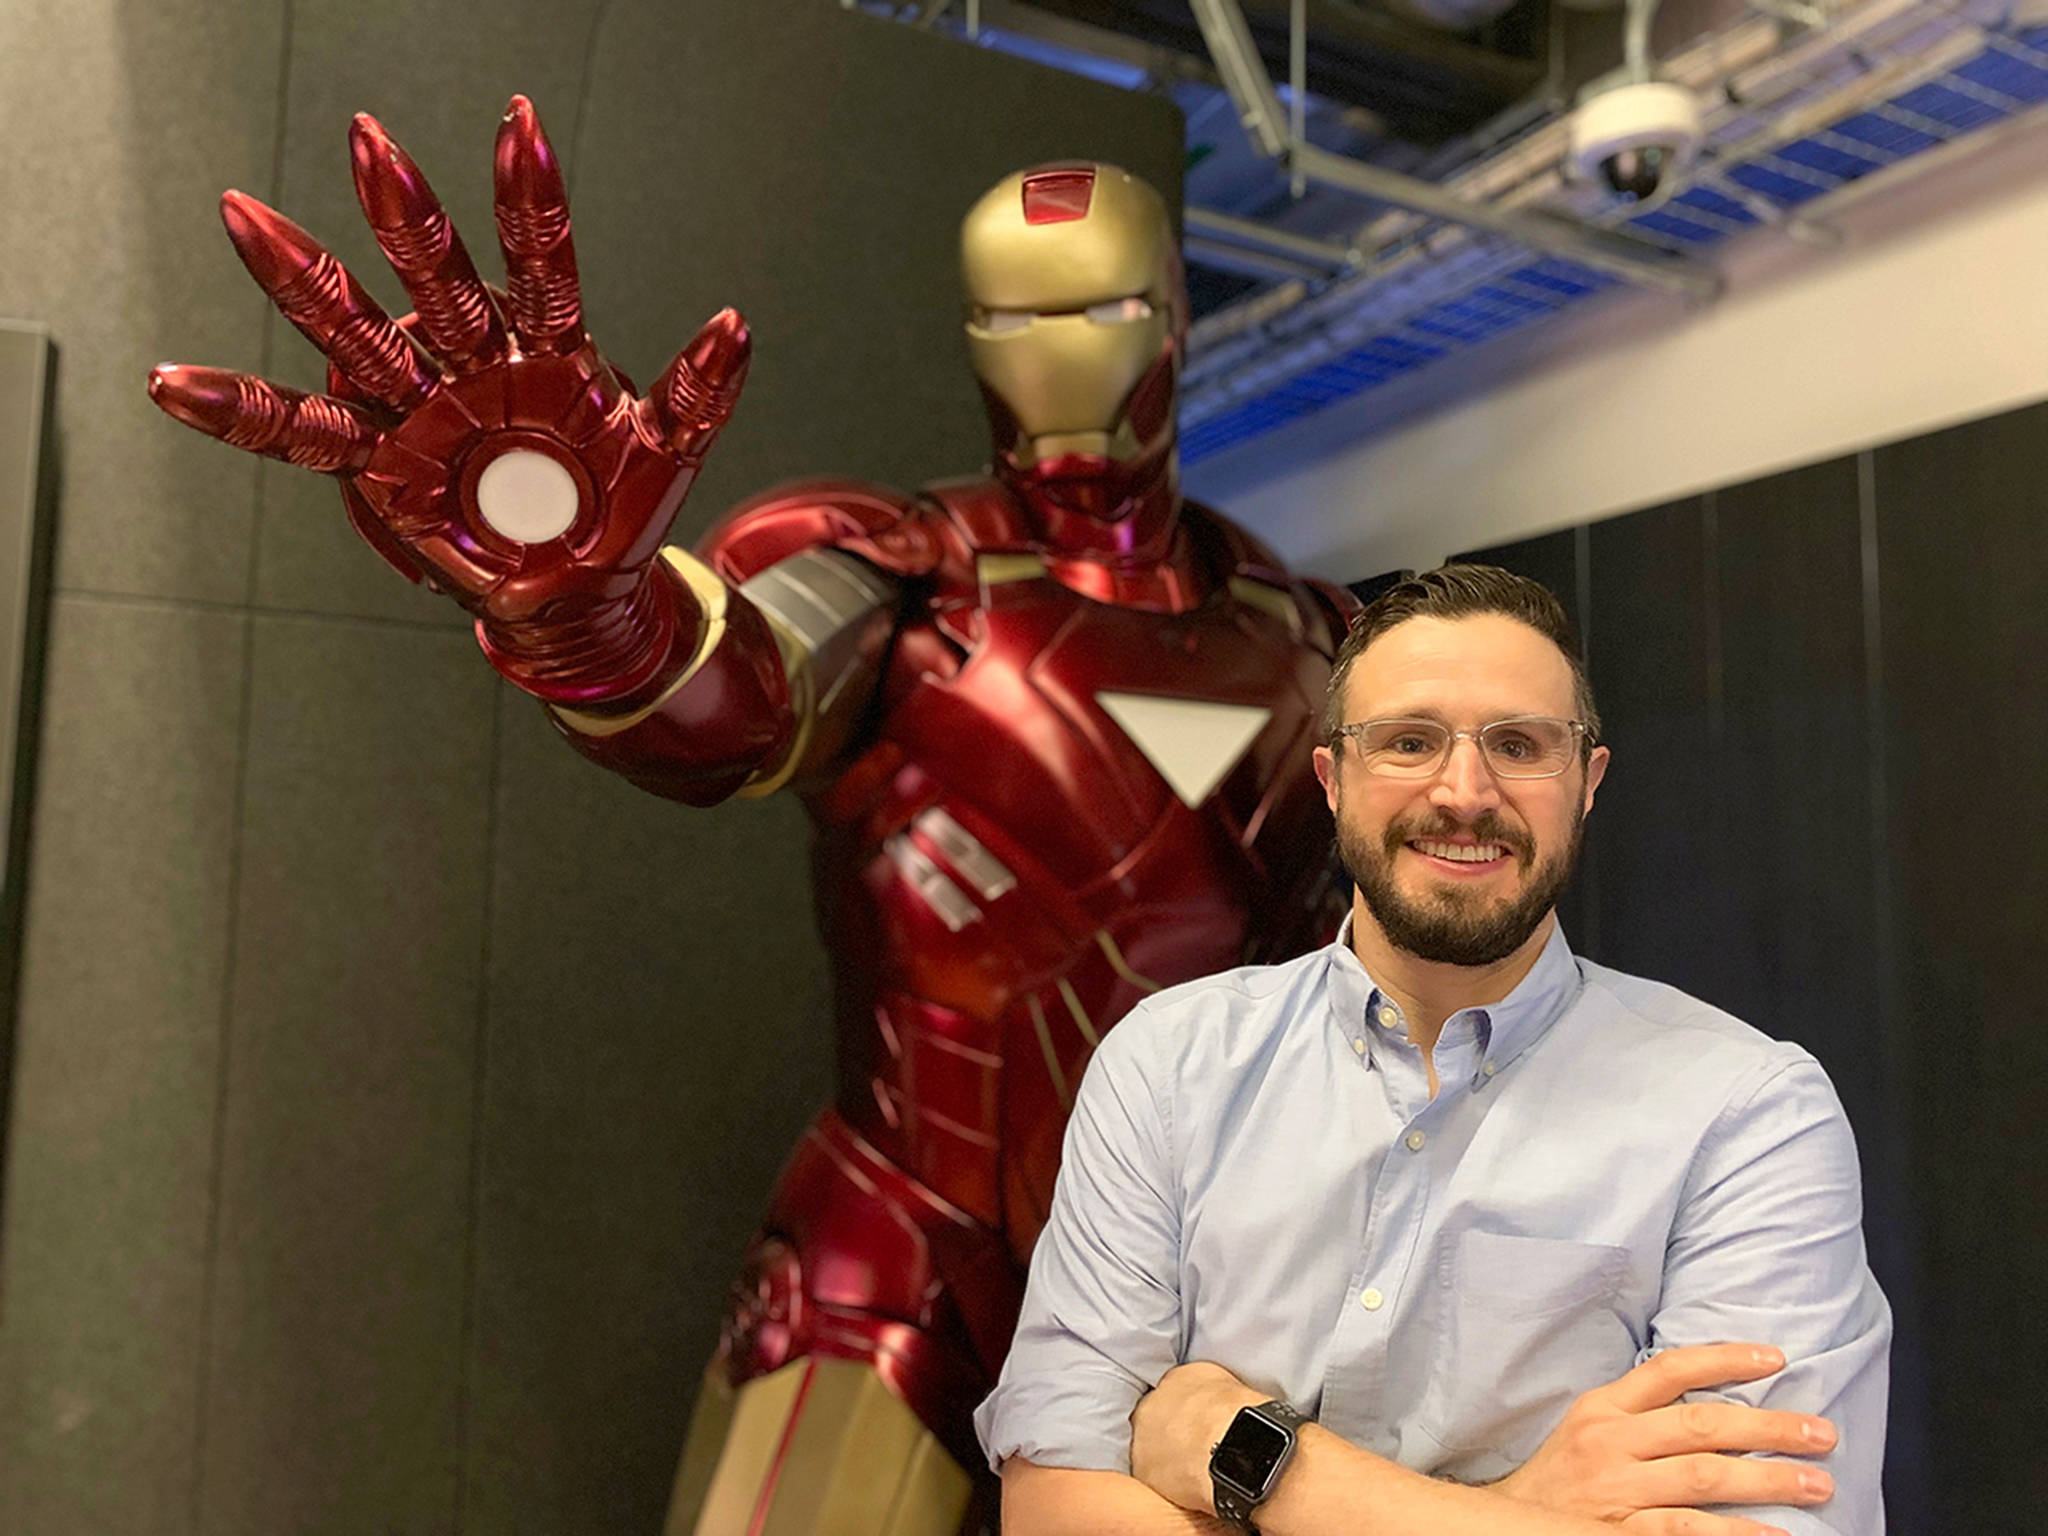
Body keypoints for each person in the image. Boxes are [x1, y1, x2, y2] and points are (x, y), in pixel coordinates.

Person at [148, 98, 1365, 1532]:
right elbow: (739, 691)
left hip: (1209, 1280)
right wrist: (591, 615)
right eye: (1008, 317)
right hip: (907, 1256)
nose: (1053, 355)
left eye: (1097, 310)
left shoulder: (1311, 633)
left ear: (1170, 316)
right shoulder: (905, 570)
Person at [978, 564, 1890, 1536]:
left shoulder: (1746, 1114)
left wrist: (1260, 1460)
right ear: (1332, 780)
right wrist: (1516, 1514)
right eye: (1409, 742)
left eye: (1518, 745)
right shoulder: (1166, 1069)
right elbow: (1050, 1509)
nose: (1463, 793)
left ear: (1585, 784)